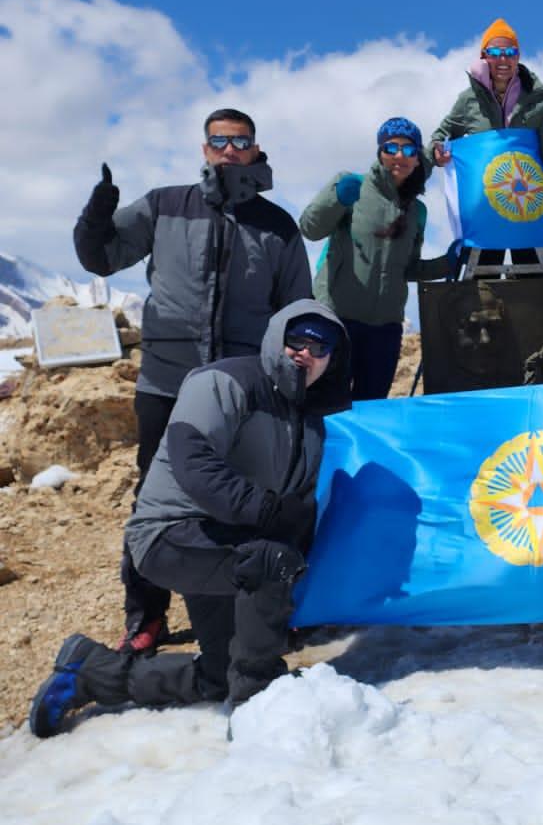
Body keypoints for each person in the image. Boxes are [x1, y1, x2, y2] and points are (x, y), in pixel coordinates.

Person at [28, 302, 351, 737]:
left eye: (319, 346)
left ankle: (90, 671)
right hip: (171, 535)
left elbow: (298, 506)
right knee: (269, 563)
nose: (305, 353)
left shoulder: (311, 422)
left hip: (229, 549)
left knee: (220, 675)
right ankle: (259, 708)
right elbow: (194, 461)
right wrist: (268, 516)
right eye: (297, 340)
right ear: (277, 338)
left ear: (332, 358)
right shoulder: (224, 382)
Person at [73, 109, 312, 654]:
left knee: (254, 495)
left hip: (244, 391)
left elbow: (297, 307)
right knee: (156, 500)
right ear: (205, 148)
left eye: (241, 141)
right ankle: (147, 616)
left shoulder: (277, 226)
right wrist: (96, 215)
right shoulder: (164, 205)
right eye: (219, 141)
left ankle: (267, 607)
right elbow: (102, 258)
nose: (230, 150)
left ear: (255, 149)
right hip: (167, 382)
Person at [299, 117, 458, 399]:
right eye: (391, 147)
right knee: (324, 404)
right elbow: (310, 229)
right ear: (379, 152)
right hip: (337, 318)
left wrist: (447, 262)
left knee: (371, 407)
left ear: (417, 158)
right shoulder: (351, 186)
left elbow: (407, 269)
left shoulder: (416, 211)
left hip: (385, 328)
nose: (400, 156)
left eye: (409, 150)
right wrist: (335, 198)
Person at [429, 18, 543, 273]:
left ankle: (534, 313)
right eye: (495, 52)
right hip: (485, 205)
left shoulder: (541, 104)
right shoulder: (469, 100)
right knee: (483, 277)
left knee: (531, 275)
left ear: (518, 56)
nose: (503, 59)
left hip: (528, 202)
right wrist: (437, 149)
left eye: (510, 52)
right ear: (484, 56)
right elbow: (442, 134)